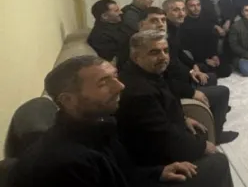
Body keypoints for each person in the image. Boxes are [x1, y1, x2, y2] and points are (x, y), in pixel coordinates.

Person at [8, 55, 233, 187]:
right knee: (217, 164)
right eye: (103, 83)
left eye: (115, 77)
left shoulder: (96, 125)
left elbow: (122, 172)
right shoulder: (65, 164)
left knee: (216, 162)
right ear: (68, 100)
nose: (120, 86)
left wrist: (157, 172)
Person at [115, 30, 235, 186]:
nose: (163, 56)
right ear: (136, 57)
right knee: (219, 161)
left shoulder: (150, 72)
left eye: (165, 51)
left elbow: (166, 105)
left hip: (167, 136)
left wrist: (184, 119)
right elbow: (163, 138)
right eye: (154, 52)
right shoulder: (138, 92)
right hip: (155, 162)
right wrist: (201, 147)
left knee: (203, 133)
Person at [162, 0, 236, 143]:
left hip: (185, 74)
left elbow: (180, 54)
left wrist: (193, 66)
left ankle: (213, 109)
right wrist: (191, 87)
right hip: (177, 87)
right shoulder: (165, 37)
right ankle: (217, 135)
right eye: (175, 10)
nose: (181, 13)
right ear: (166, 13)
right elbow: (169, 72)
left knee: (212, 77)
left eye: (182, 9)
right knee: (223, 91)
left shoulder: (175, 29)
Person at [182, 0, 232, 78]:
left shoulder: (206, 20)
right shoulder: (184, 23)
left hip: (209, 54)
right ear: (186, 8)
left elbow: (212, 40)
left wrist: (214, 55)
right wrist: (205, 60)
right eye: (192, 6)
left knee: (226, 70)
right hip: (196, 58)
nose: (196, 8)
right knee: (208, 72)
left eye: (198, 5)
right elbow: (189, 47)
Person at [87, 0, 135, 68]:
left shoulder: (120, 23)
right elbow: (115, 60)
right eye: (116, 11)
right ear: (104, 16)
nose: (121, 12)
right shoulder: (99, 36)